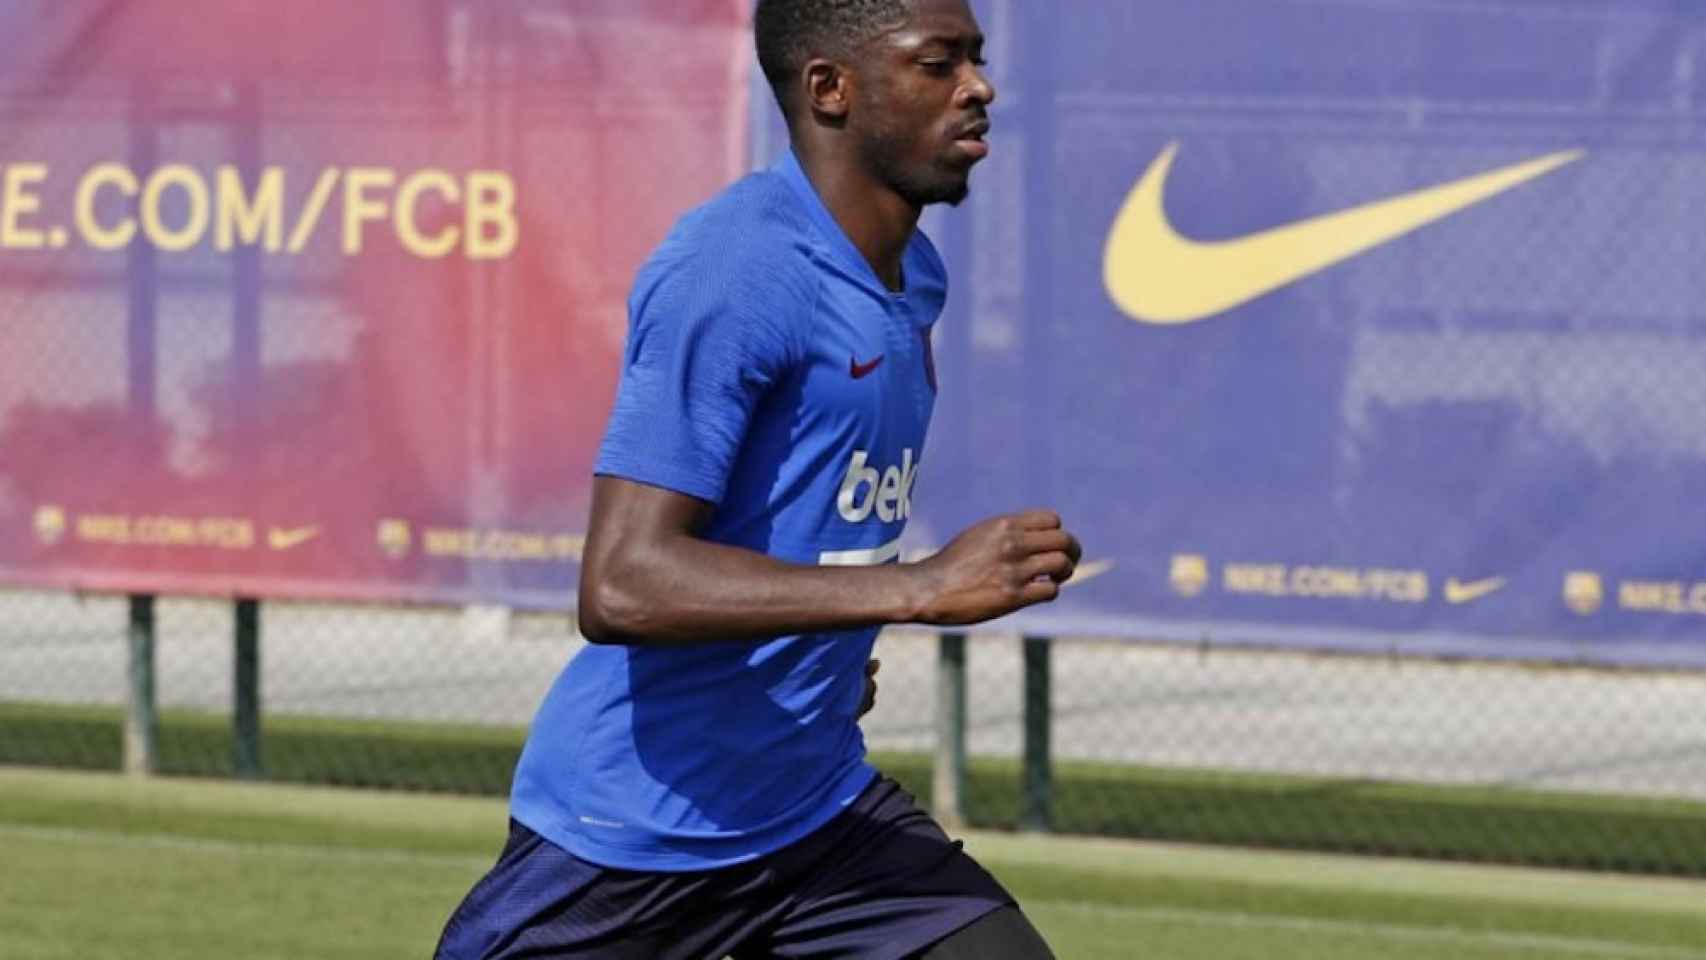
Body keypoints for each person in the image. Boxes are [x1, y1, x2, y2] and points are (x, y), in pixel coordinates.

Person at [435, 1, 1079, 956]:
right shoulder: (737, 268)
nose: (978, 88)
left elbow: (803, 521)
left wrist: (829, 648)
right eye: (939, 63)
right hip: (635, 841)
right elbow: (622, 582)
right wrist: (916, 588)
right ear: (831, 89)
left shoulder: (915, 281)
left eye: (977, 61)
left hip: (816, 815)